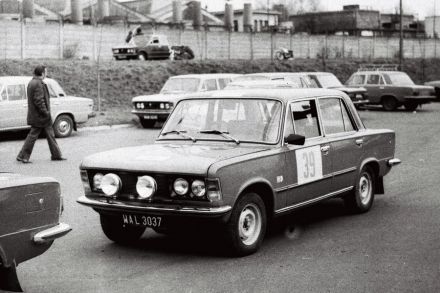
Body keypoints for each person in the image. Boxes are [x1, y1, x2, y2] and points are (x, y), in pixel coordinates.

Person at [16, 65, 66, 163]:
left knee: (48, 135)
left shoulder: (32, 82)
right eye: (45, 72)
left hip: (37, 116)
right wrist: (46, 112)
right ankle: (23, 156)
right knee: (34, 136)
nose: (46, 74)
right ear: (42, 73)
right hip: (41, 116)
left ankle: (55, 155)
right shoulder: (38, 83)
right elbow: (39, 101)